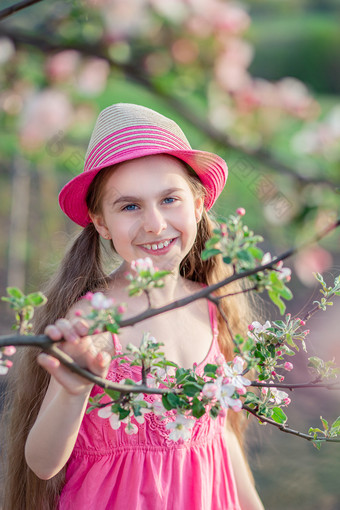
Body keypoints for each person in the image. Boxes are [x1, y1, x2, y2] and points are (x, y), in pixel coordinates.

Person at [2, 104, 264, 510]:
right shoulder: (93, 321)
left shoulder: (212, 308)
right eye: (129, 206)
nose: (155, 224)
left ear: (197, 204)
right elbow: (41, 464)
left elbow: (221, 436)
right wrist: (73, 393)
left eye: (169, 199)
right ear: (101, 223)